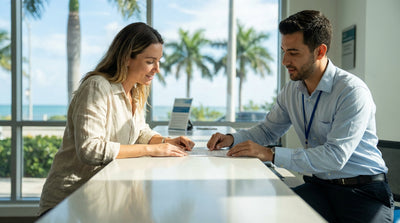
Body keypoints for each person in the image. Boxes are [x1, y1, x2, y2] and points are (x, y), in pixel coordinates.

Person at [207, 10, 394, 222]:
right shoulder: (291, 91)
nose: (285, 60)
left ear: (320, 52)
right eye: (283, 51)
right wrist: (232, 139)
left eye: (294, 53)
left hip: (363, 192)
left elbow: (335, 157)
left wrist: (271, 154)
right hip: (320, 187)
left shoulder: (352, 91)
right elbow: (269, 130)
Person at [38, 22, 194, 216]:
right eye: (150, 61)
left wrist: (166, 141)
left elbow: (140, 131)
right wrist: (152, 149)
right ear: (127, 57)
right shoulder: (97, 87)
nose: (157, 69)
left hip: (103, 198)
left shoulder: (135, 90)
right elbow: (90, 149)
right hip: (70, 201)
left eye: (159, 61)